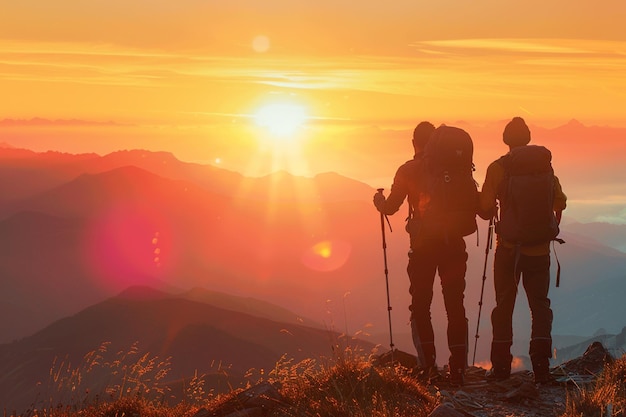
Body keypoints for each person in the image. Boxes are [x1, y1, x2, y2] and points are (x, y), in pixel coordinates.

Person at [373, 121, 469, 386]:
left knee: (421, 306)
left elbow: (391, 207)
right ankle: (458, 368)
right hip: (453, 246)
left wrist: (378, 202)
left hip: (423, 247)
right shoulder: (455, 169)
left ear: (415, 143)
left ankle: (428, 367)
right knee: (455, 306)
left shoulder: (408, 170)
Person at [478, 117, 567, 384]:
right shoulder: (545, 168)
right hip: (539, 251)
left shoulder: (497, 168)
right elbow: (560, 202)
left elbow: (484, 210)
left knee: (504, 306)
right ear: (527, 138)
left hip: (508, 250)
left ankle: (502, 368)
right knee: (540, 306)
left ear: (506, 139)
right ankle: (541, 367)